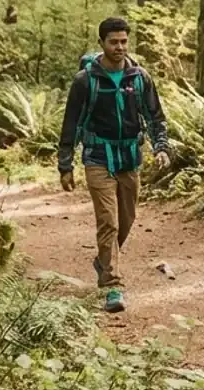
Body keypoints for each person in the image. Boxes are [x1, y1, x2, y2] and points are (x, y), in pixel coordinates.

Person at [57, 17, 170, 314]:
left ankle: (104, 261)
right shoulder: (85, 81)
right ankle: (112, 287)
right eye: (113, 42)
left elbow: (155, 117)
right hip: (97, 157)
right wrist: (65, 164)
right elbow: (71, 124)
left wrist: (161, 147)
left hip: (129, 158)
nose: (119, 47)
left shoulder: (139, 78)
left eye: (123, 41)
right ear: (102, 43)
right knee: (109, 221)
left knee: (126, 220)